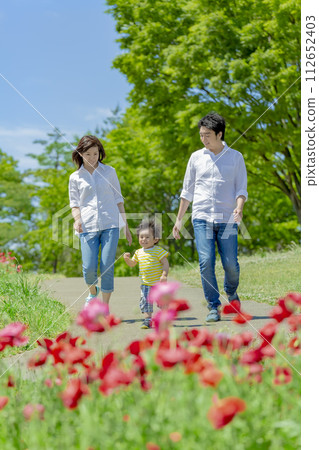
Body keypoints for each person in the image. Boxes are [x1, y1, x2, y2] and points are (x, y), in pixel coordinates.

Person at [172, 112, 248, 323]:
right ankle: (213, 306)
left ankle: (231, 293)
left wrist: (239, 208)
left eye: (207, 135)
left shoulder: (236, 157)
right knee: (205, 261)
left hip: (227, 218)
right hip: (202, 217)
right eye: (201, 135)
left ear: (219, 134)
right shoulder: (196, 158)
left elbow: (241, 188)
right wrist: (179, 220)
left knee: (231, 264)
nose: (203, 139)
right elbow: (187, 191)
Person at [69, 135, 132, 309]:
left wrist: (125, 226)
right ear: (80, 154)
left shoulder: (109, 172)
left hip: (110, 224)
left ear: (100, 153)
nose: (92, 158)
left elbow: (119, 199)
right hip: (87, 226)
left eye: (95, 153)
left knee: (107, 266)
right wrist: (77, 220)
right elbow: (74, 204)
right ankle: (92, 292)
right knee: (89, 268)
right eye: (88, 154)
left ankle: (105, 307)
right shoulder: (75, 177)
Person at [123, 219, 169, 329]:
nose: (144, 239)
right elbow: (132, 264)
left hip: (158, 284)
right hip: (145, 284)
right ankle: (147, 320)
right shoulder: (138, 252)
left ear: (155, 239)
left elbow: (165, 263)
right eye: (141, 237)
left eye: (147, 237)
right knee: (146, 302)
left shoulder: (158, 250)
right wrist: (126, 260)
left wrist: (164, 275)